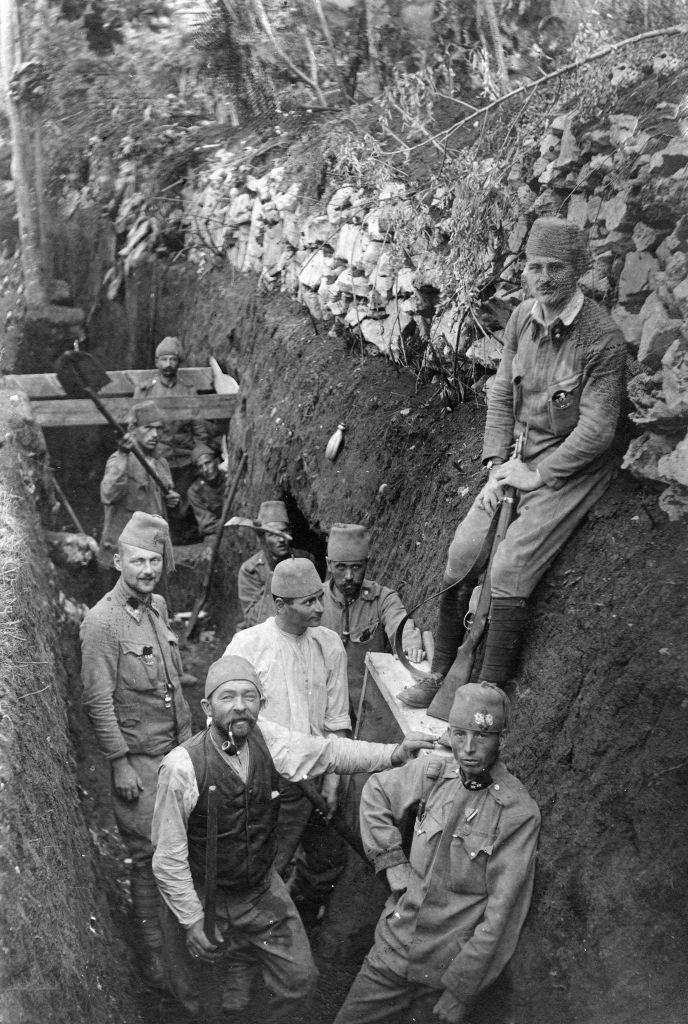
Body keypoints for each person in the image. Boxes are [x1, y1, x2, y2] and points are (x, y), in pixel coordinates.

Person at [400, 216, 627, 707]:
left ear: (579, 271)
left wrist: (538, 474)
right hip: (517, 459)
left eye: (556, 269)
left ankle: (486, 693)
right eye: (534, 267)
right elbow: (501, 392)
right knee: (463, 552)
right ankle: (440, 672)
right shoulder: (523, 317)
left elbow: (597, 430)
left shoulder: (601, 338)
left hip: (571, 467)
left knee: (510, 567)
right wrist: (495, 464)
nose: (543, 279)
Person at [151, 655, 436, 1021]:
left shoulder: (267, 738)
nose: (240, 706)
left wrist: (394, 754)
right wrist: (190, 920)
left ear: (261, 703)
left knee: (299, 980)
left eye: (249, 697)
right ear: (207, 706)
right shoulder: (181, 767)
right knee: (195, 995)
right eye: (228, 697)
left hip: (258, 892)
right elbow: (167, 857)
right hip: (201, 894)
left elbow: (328, 752)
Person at [333, 682, 540, 1024]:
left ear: (501, 739)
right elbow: (376, 792)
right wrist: (390, 862)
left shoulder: (516, 813)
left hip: (443, 971)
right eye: (459, 734)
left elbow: (502, 915)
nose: (469, 748)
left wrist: (462, 989)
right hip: (393, 950)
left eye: (482, 736)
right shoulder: (435, 773)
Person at [81, 511, 193, 987]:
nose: (147, 569)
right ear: (117, 560)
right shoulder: (101, 623)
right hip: (140, 763)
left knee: (184, 848)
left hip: (178, 752)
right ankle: (154, 956)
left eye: (154, 560)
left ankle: (185, 941)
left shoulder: (158, 606)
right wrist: (119, 763)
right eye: (138, 560)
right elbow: (97, 700)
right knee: (148, 857)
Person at [224, 557, 350, 923]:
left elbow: (337, 720)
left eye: (320, 598)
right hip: (269, 780)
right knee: (266, 865)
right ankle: (251, 942)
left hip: (319, 773)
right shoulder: (248, 646)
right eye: (309, 602)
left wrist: (333, 777)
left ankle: (299, 926)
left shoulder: (329, 646)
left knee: (326, 861)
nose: (320, 608)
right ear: (280, 605)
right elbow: (227, 721)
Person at [320, 523, 425, 715]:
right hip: (324, 704)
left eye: (357, 567)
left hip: (368, 706)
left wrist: (410, 647)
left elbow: (400, 625)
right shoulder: (315, 600)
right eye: (341, 567)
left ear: (367, 563)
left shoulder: (382, 598)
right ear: (328, 564)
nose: (349, 576)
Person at [96, 400, 180, 585]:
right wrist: (123, 455)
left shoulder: (161, 463)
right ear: (133, 429)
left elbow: (164, 503)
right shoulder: (120, 459)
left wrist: (171, 500)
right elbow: (108, 495)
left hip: (153, 551)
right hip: (125, 556)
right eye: (148, 428)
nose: (155, 434)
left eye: (158, 429)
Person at [134, 335, 211, 516]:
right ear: (156, 362)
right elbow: (135, 427)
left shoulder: (188, 389)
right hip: (158, 456)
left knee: (183, 502)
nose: (168, 364)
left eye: (173, 359)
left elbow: (199, 426)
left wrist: (197, 453)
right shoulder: (146, 390)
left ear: (178, 363)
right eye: (164, 359)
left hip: (184, 456)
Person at [233, 499, 311, 628]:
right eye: (272, 534)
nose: (281, 539)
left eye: (284, 532)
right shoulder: (250, 570)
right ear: (263, 538)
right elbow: (253, 620)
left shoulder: (304, 559)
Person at [187, 443, 226, 539]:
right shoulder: (194, 491)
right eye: (200, 467)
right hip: (216, 533)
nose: (205, 469)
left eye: (208, 463)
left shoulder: (229, 479)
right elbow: (207, 525)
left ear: (216, 462)